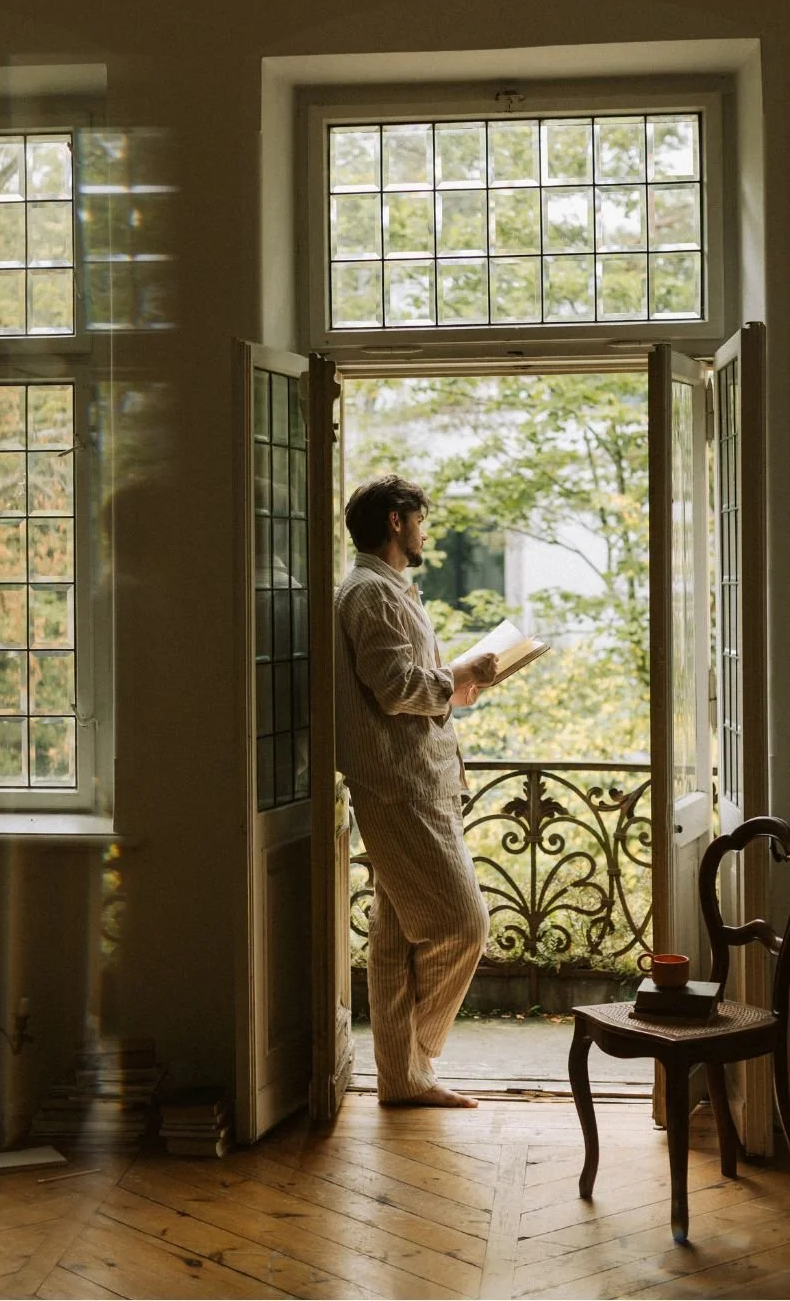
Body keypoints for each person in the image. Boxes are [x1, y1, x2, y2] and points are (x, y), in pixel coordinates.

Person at [334, 474, 498, 1108]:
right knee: (464, 922)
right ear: (398, 521)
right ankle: (422, 1052)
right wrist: (457, 673)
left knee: (396, 933)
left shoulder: (384, 589)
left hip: (416, 779)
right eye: (422, 520)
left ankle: (402, 1081)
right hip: (398, 786)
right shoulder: (370, 593)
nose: (427, 532)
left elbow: (406, 684)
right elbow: (396, 686)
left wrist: (457, 684)